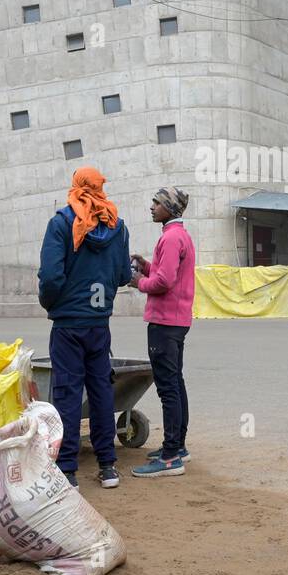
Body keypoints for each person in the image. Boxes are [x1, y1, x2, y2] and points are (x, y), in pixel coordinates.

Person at [37, 167, 132, 489]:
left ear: (76, 186)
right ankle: (107, 466)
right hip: (98, 323)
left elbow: (50, 277)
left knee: (67, 392)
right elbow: (122, 276)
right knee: (102, 390)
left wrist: (53, 304)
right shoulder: (117, 226)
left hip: (68, 324)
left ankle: (67, 469)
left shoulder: (62, 222)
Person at [128, 187, 195, 479]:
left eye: (157, 202)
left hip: (165, 321)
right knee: (176, 383)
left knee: (167, 388)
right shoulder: (179, 236)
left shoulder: (169, 237)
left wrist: (136, 281)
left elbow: (164, 282)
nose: (152, 207)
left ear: (169, 207)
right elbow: (167, 272)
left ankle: (169, 458)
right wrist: (147, 266)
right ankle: (178, 447)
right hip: (177, 320)